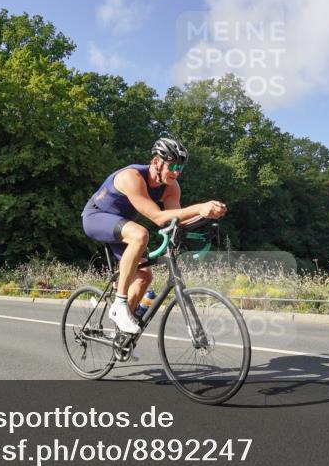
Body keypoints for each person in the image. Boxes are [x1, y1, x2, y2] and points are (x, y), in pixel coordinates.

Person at [82, 136, 226, 333]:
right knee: (140, 234)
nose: (176, 172)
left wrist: (206, 219)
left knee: (144, 277)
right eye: (172, 166)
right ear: (156, 162)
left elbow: (176, 219)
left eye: (180, 168)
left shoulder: (171, 188)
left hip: (123, 227)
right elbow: (158, 218)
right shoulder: (131, 177)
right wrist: (199, 207)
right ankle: (119, 305)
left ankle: (120, 334)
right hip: (95, 217)